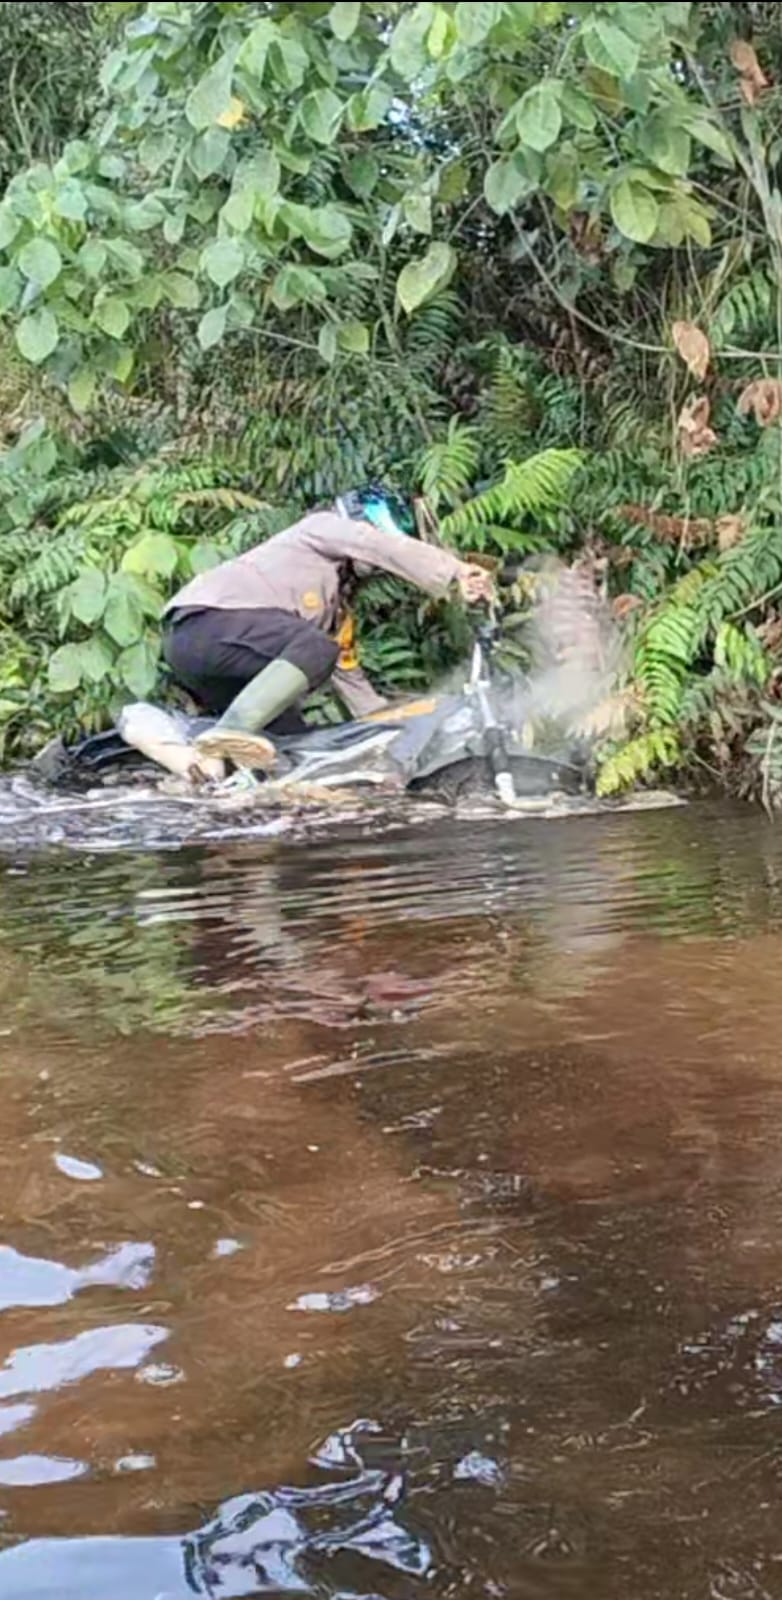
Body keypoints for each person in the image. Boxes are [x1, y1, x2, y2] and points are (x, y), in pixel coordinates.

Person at [162, 486, 493, 770]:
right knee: (317, 647)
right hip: (206, 625)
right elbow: (374, 544)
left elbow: (355, 689)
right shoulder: (321, 527)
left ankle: (222, 778)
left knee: (290, 743)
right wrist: (455, 571)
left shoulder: (334, 608)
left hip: (226, 663)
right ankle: (231, 730)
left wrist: (408, 718)